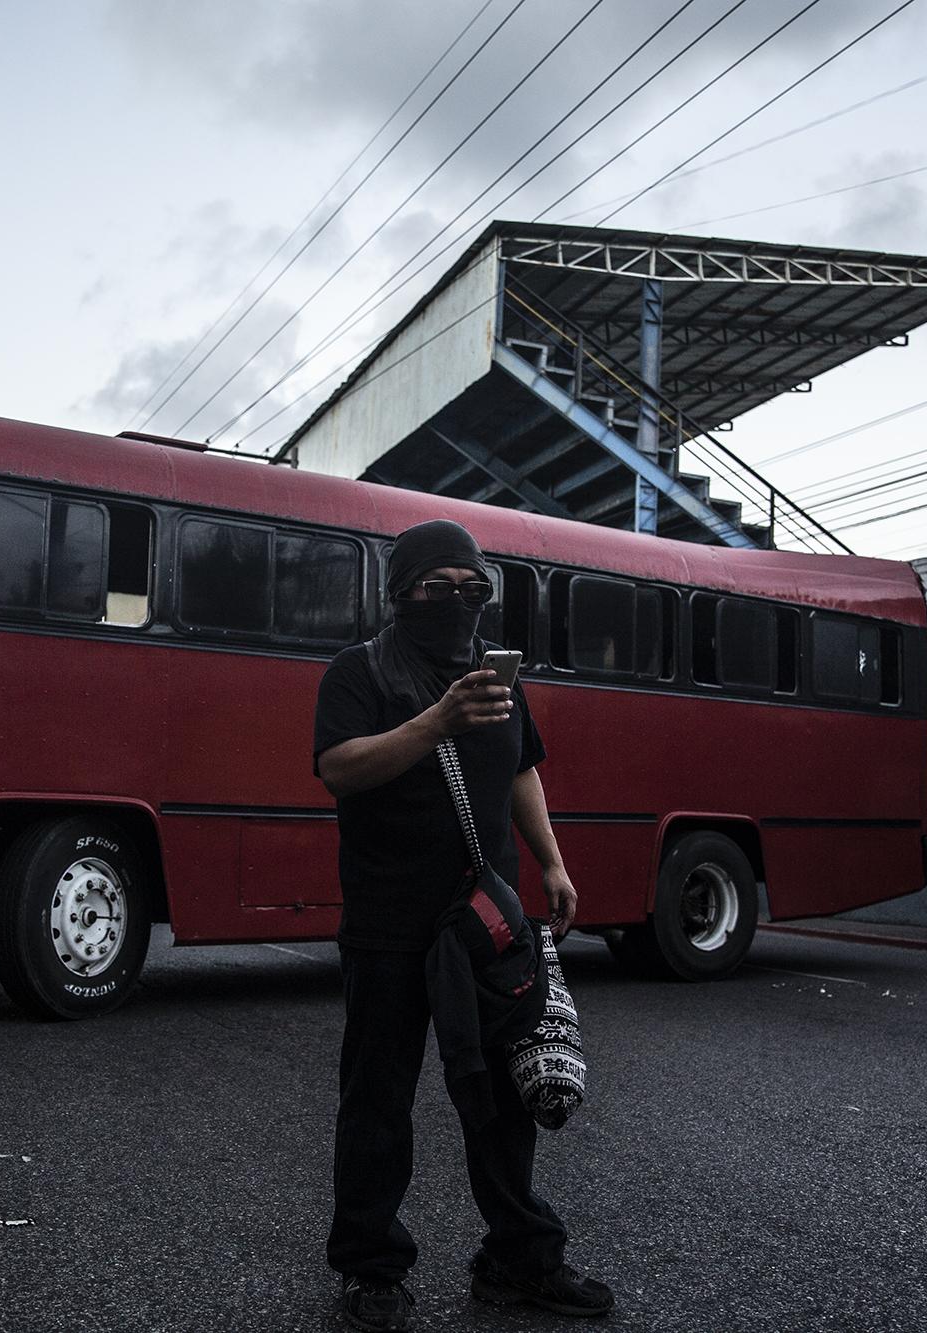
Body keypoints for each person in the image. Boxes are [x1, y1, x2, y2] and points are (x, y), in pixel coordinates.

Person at [314, 519, 613, 1332]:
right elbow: (339, 768)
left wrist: (550, 861)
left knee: (501, 1100)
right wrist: (434, 723)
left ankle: (519, 1259)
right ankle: (371, 1268)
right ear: (401, 594)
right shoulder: (359, 671)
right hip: (387, 924)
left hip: (485, 924)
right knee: (378, 1099)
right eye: (438, 587)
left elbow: (521, 767)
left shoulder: (498, 679)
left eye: (474, 587)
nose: (459, 602)